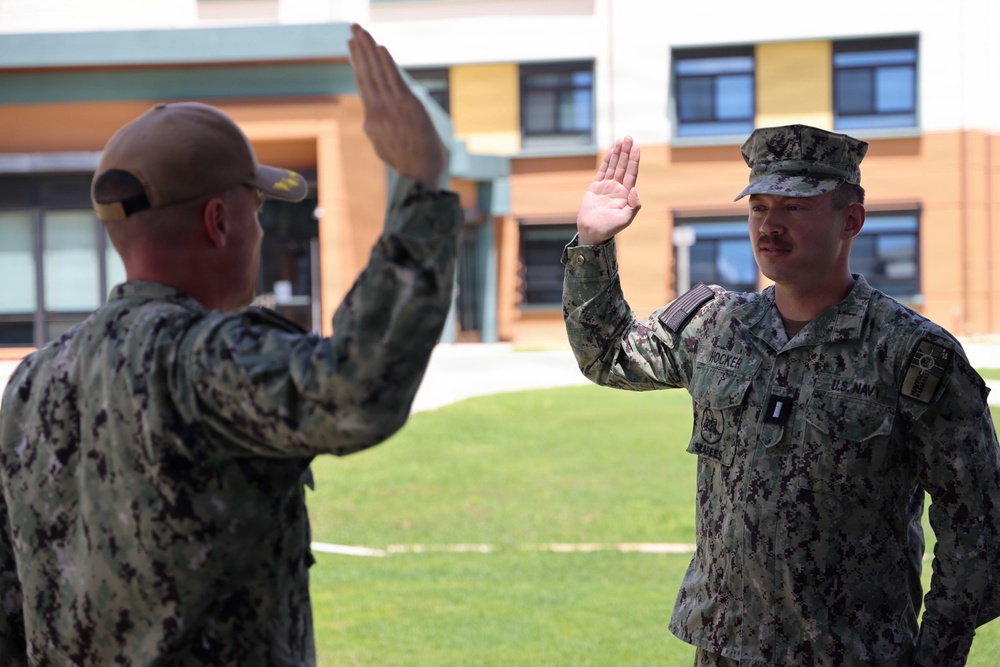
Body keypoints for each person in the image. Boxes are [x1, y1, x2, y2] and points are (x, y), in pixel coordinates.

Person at [0, 24, 461, 666]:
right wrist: (421, 182)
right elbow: (359, 388)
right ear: (219, 222)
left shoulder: (30, 384)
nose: (262, 230)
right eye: (257, 210)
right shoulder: (197, 358)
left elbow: (10, 598)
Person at [562, 125, 1000, 666]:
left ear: (851, 221)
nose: (770, 225)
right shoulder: (716, 325)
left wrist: (937, 655)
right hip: (725, 649)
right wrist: (592, 244)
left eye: (795, 208)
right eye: (760, 207)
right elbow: (609, 356)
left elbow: (975, 523)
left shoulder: (912, 353)